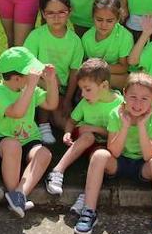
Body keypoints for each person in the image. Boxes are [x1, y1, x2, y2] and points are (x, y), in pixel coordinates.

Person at [74, 72, 152, 234]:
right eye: (133, 97)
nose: (137, 104)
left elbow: (149, 156)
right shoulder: (116, 114)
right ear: (124, 94)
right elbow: (113, 150)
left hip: (143, 165)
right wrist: (126, 125)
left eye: (145, 99)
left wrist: (142, 126)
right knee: (100, 155)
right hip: (119, 161)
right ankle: (88, 211)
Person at [0, 47, 60, 217]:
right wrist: (31, 86)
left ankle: (18, 194)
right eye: (30, 75)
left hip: (28, 139)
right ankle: (15, 194)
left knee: (44, 153)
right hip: (3, 140)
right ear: (17, 79)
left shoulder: (28, 89)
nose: (33, 78)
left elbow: (51, 104)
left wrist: (51, 81)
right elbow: (17, 112)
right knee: (13, 146)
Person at [47, 58, 120, 199]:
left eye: (87, 89)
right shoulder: (85, 102)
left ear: (104, 86)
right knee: (88, 136)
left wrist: (94, 128)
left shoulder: (120, 105)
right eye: (81, 90)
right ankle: (57, 171)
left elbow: (116, 134)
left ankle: (86, 195)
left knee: (100, 155)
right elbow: (72, 121)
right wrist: (67, 132)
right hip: (85, 137)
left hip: (105, 145)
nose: (82, 94)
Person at [22, 0, 83, 145]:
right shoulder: (36, 36)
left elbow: (74, 72)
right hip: (36, 84)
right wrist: (46, 76)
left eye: (61, 12)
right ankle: (42, 124)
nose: (56, 17)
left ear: (69, 12)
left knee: (60, 120)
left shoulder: (75, 41)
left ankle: (83, 135)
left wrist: (68, 99)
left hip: (60, 90)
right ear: (43, 14)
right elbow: (26, 64)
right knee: (51, 79)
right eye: (50, 13)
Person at [79, 0, 133, 89]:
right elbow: (83, 63)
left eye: (109, 21)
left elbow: (123, 67)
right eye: (99, 20)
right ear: (93, 17)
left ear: (118, 19)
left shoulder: (125, 37)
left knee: (128, 80)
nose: (103, 25)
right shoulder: (87, 38)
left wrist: (99, 69)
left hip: (113, 76)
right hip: (93, 76)